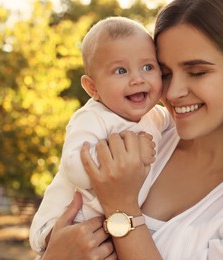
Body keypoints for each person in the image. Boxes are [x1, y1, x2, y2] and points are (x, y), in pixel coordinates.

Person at [40, 0, 223, 259]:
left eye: (197, 72)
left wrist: (122, 208)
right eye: (164, 73)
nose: (172, 92)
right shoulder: (148, 133)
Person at [29, 16, 174, 256]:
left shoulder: (157, 116)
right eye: (120, 70)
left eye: (148, 67)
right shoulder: (93, 118)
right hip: (68, 221)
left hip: (109, 227)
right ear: (92, 88)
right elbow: (75, 165)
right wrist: (133, 150)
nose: (137, 78)